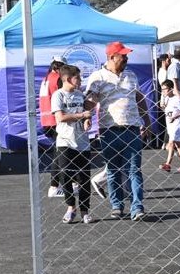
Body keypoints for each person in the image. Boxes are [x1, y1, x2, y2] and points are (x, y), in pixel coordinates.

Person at [83, 41, 152, 222]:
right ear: (112, 57)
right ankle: (117, 205)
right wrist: (86, 116)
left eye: (126, 55)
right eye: (123, 55)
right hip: (108, 130)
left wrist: (147, 121)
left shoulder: (131, 75)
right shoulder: (98, 77)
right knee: (113, 170)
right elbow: (90, 100)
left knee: (134, 170)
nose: (126, 58)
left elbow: (139, 98)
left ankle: (137, 207)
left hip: (132, 129)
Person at [51, 65, 94, 224]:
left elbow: (87, 113)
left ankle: (85, 210)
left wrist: (87, 119)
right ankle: (71, 207)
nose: (80, 80)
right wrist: (82, 115)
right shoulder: (58, 95)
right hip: (65, 141)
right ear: (68, 79)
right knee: (65, 175)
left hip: (82, 142)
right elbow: (60, 118)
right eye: (78, 78)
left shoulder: (80, 95)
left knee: (84, 178)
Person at [38, 57, 65, 197]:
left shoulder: (46, 78)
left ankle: (64, 184)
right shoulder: (57, 79)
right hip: (56, 119)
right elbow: (63, 97)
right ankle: (54, 186)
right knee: (60, 153)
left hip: (46, 119)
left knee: (59, 151)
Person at [159, 79, 180, 172]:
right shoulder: (167, 99)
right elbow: (167, 110)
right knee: (178, 144)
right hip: (169, 125)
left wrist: (175, 117)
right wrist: (163, 107)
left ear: (171, 89)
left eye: (165, 89)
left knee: (171, 143)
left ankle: (168, 164)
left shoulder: (177, 99)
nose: (163, 91)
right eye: (162, 89)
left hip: (176, 124)